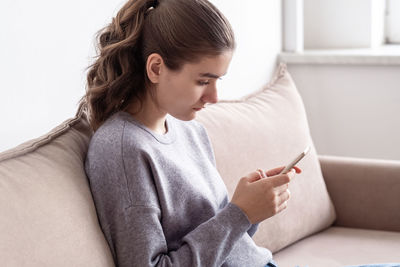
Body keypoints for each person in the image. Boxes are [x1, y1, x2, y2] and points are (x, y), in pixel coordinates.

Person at [82, 0, 299, 266]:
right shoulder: (122, 149)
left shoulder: (190, 130)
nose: (214, 97)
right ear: (156, 69)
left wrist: (251, 208)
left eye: (218, 81)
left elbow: (222, 241)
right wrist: (240, 213)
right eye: (203, 81)